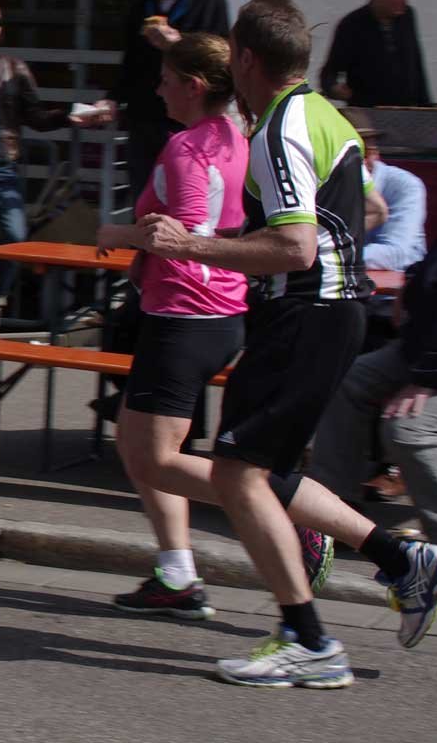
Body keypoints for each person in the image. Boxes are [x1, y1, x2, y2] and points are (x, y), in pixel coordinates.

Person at [138, 0, 437, 687]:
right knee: (262, 466)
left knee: (238, 473)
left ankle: (307, 638)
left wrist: (191, 242)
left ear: (246, 59)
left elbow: (296, 247)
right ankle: (402, 562)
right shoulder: (326, 115)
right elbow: (367, 205)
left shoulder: (278, 131)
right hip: (332, 312)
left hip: (307, 311)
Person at [96, 34, 262, 619]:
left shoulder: (189, 148)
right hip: (215, 313)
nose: (157, 87)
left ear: (193, 87)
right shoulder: (235, 139)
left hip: (186, 314)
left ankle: (289, 513)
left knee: (151, 456)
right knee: (139, 443)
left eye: (166, 79)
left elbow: (179, 235)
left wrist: (114, 235)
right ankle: (176, 573)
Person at [0, 0, 103, 337]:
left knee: (15, 234)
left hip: (2, 164)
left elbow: (37, 116)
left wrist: (68, 115)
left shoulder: (14, 68)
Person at [311, 231, 437, 548]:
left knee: (409, 428)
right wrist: (413, 283)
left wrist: (426, 378)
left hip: (436, 360)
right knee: (346, 382)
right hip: (422, 349)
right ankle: (333, 510)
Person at [100, 0, 232, 200]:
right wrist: (113, 98)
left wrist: (178, 43)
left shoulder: (209, 0)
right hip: (145, 116)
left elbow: (220, 57)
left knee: (185, 194)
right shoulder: (141, 5)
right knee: (144, 198)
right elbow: (130, 59)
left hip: (188, 118)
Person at [320, 0, 431, 109]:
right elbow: (330, 70)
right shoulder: (352, 24)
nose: (404, 2)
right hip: (368, 111)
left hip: (406, 111)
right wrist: (333, 89)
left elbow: (416, 62)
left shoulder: (407, 16)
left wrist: (426, 106)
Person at [362, 130, 427, 272]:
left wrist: (328, 258)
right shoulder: (323, 183)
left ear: (372, 154)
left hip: (398, 284)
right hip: (340, 277)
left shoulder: (404, 184)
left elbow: (395, 253)